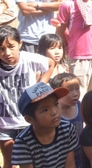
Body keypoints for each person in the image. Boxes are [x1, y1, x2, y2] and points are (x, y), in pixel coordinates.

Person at [0, 26, 54, 168]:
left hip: (29, 120)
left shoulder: (29, 59)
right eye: (1, 49)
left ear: (20, 44)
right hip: (5, 124)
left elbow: (50, 63)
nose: (7, 53)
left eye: (11, 46)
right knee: (9, 161)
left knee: (35, 161)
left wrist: (40, 85)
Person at [11, 82, 78, 167]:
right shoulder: (23, 142)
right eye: (45, 110)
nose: (54, 112)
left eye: (56, 104)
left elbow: (70, 165)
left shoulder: (67, 129)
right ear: (29, 119)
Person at [49, 73, 83, 168]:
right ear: (58, 93)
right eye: (69, 90)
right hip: (61, 157)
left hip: (80, 153)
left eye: (77, 89)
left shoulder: (80, 106)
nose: (75, 94)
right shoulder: (54, 113)